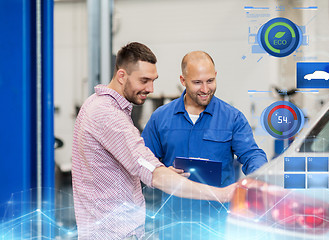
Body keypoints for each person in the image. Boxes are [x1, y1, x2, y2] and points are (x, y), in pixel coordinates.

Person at [71, 43, 237, 240]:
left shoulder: (94, 103)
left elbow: (140, 165)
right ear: (122, 76)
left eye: (153, 80)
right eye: (144, 80)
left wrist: (160, 170)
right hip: (114, 233)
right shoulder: (108, 116)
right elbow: (154, 174)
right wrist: (223, 194)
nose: (150, 89)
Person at [142, 51, 268, 239]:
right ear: (183, 80)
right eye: (197, 83)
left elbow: (252, 155)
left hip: (216, 224)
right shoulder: (161, 118)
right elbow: (143, 161)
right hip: (174, 224)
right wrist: (161, 170)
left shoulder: (232, 118)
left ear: (216, 76)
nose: (205, 89)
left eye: (210, 81)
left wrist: (258, 178)